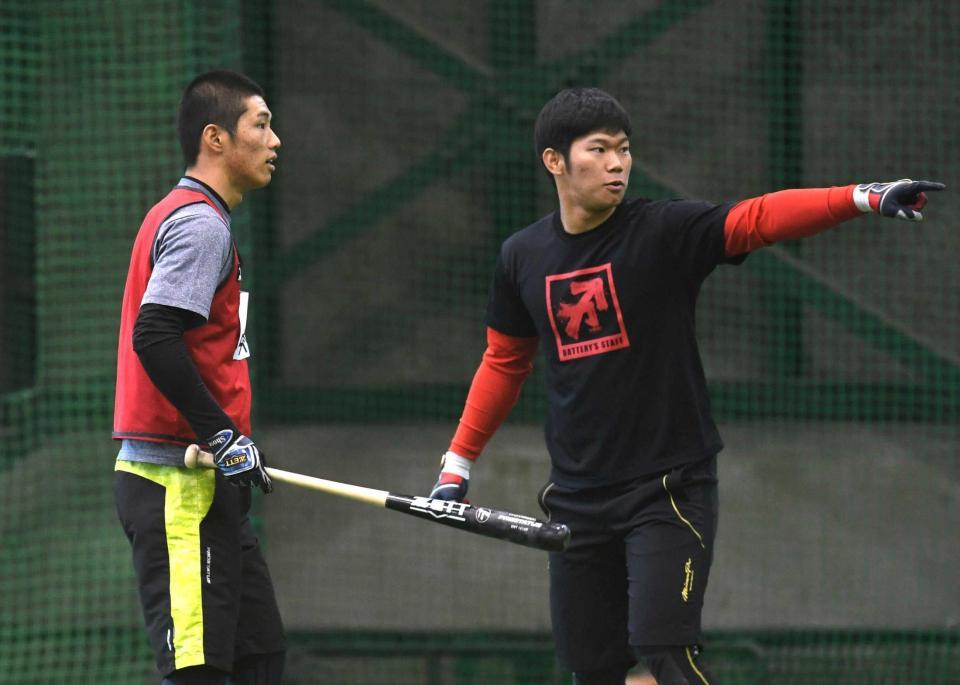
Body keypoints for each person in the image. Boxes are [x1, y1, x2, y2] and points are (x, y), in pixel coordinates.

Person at [427, 87, 943, 685]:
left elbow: (756, 218)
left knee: (663, 655)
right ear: (554, 162)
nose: (618, 163)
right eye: (599, 150)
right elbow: (503, 362)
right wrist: (455, 467)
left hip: (667, 492)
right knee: (595, 672)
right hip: (576, 502)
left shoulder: (663, 231)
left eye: (624, 149)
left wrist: (863, 197)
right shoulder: (522, 256)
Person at [113, 70, 285, 685]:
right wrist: (223, 437)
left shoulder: (199, 218)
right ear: (216, 139)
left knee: (260, 658)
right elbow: (154, 336)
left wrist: (227, 442)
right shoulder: (199, 223)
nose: (275, 141)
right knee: (199, 675)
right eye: (260, 125)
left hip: (211, 487)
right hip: (175, 482)